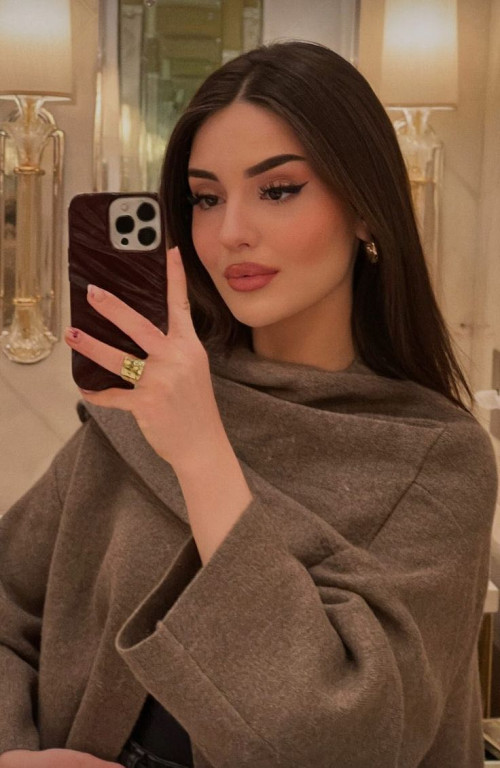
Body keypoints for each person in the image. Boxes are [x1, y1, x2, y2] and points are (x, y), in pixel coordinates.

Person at [0, 40, 497, 768]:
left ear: (366, 211)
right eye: (206, 198)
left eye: (278, 189)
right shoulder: (137, 410)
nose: (230, 232)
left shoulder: (438, 460)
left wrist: (202, 451)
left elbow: (339, 739)